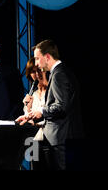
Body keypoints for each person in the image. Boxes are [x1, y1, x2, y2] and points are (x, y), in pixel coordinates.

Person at [25, 39, 84, 170]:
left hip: (61, 139)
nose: (36, 63)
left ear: (47, 57)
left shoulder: (59, 74)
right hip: (61, 138)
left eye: (37, 58)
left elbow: (61, 106)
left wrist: (41, 111)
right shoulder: (63, 72)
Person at [16, 58, 49, 170]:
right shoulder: (32, 95)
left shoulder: (51, 90)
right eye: (32, 72)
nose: (36, 74)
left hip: (50, 139)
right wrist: (27, 107)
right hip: (34, 140)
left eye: (38, 70)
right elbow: (29, 119)